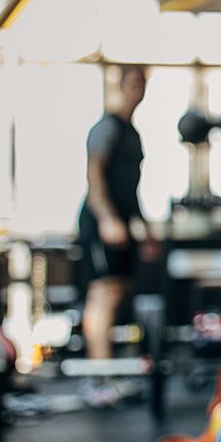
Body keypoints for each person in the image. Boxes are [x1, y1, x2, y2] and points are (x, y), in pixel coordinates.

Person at [77, 64, 158, 407]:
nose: (138, 89)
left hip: (123, 222)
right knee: (104, 293)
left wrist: (145, 226)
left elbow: (131, 189)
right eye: (133, 82)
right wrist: (108, 218)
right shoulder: (105, 128)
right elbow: (94, 176)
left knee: (120, 289)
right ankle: (98, 379)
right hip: (101, 222)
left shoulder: (132, 133)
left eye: (143, 83)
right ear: (120, 85)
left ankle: (109, 370)